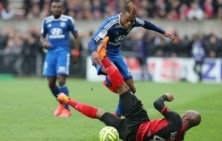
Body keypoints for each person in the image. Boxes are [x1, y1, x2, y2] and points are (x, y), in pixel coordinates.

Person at [57, 41, 201, 141]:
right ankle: (67, 100)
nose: (183, 113)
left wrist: (165, 96)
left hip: (140, 121)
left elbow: (157, 103)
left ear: (187, 118)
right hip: (131, 136)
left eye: (186, 113)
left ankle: (103, 57)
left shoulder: (176, 120)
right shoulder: (180, 138)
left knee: (122, 88)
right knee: (99, 114)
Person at [88, 1, 175, 117]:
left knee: (131, 89)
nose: (129, 23)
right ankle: (109, 81)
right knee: (115, 74)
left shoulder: (133, 21)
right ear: (121, 15)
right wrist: (94, 52)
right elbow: (92, 40)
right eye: (127, 20)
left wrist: (163, 32)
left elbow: (146, 24)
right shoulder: (110, 24)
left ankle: (117, 114)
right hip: (103, 55)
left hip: (116, 54)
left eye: (132, 21)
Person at [40, 0, 80, 117]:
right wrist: (44, 43)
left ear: (62, 9)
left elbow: (76, 37)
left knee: (61, 79)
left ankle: (67, 109)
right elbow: (42, 37)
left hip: (63, 53)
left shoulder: (68, 20)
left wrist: (76, 52)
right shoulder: (46, 21)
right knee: (51, 84)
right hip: (50, 54)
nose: (56, 8)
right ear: (51, 9)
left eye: (58, 7)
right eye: (54, 7)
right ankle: (61, 103)